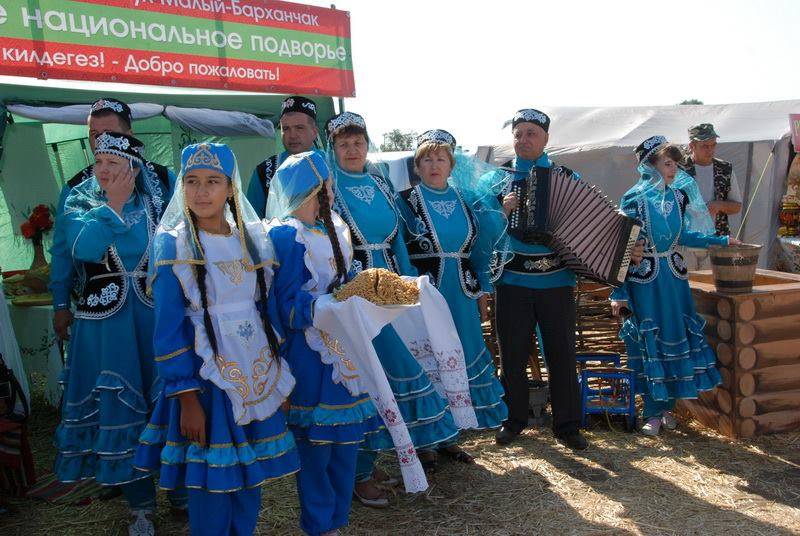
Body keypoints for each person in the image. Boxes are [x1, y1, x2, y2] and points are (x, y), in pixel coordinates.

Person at [133, 143, 299, 535]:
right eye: (191, 181)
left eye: (212, 182)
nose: (201, 191)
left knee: (249, 476)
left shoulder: (252, 240)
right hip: (208, 381)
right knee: (212, 482)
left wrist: (279, 378)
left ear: (230, 188)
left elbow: (266, 315)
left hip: (256, 373)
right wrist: (187, 397)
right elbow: (169, 329)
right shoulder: (174, 244)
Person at [324, 112, 459, 506]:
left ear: (367, 145)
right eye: (344, 144)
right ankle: (360, 473)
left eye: (358, 142)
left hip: (389, 289)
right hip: (353, 294)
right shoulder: (328, 185)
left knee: (395, 374)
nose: (352, 150)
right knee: (367, 378)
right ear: (333, 148)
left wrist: (409, 283)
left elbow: (397, 239)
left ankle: (380, 459)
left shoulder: (381, 182)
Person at [53, 132, 182, 535]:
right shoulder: (80, 202)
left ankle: (180, 491)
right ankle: (140, 506)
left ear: (134, 168)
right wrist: (113, 206)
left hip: (151, 320)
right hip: (106, 328)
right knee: (122, 411)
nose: (103, 169)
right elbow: (84, 249)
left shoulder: (155, 203)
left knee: (167, 403)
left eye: (113, 162)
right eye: (99, 161)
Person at [265, 150, 382, 536]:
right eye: (322, 187)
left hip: (343, 347)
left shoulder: (334, 225)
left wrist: (362, 289)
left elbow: (344, 277)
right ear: (304, 190)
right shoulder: (286, 235)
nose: (328, 193)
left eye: (328, 187)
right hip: (309, 353)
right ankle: (319, 525)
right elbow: (283, 303)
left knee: (345, 441)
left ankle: (338, 521)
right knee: (315, 446)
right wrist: (326, 304)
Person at [611, 136, 738, 436]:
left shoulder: (678, 197)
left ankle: (667, 407)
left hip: (674, 278)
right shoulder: (633, 199)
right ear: (650, 165)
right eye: (667, 163)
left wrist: (720, 240)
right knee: (648, 339)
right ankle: (652, 412)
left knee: (673, 337)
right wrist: (618, 292)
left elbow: (685, 236)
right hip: (645, 282)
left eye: (675, 164)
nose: (673, 169)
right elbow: (622, 248)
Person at [397, 129, 508, 459]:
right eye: (427, 159)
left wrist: (484, 295)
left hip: (461, 292)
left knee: (459, 358)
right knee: (428, 359)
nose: (434, 165)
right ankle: (427, 442)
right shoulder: (406, 203)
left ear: (451, 164)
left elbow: (480, 253)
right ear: (417, 166)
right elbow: (400, 248)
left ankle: (452, 436)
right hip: (426, 295)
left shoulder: (466, 202)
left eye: (440, 159)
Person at [490, 109, 589, 450]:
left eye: (531, 133)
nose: (523, 140)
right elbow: (483, 229)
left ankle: (567, 425)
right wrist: (500, 210)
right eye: (518, 134)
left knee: (561, 355)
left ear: (546, 138)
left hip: (556, 281)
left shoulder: (566, 176)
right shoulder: (498, 180)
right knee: (512, 355)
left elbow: (585, 224)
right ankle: (513, 420)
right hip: (513, 280)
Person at [49, 98, 175, 343]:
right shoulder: (78, 189)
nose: (101, 142)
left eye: (109, 133)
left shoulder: (162, 179)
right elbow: (65, 251)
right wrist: (61, 303)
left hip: (156, 308)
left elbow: (182, 236)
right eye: (94, 134)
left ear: (129, 135)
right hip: (103, 313)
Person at [246, 96, 320, 218]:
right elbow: (252, 222)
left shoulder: (332, 166)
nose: (292, 135)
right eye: (286, 128)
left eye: (299, 128)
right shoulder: (264, 171)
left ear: (314, 131)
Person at [680, 123, 743, 237]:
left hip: (718, 238)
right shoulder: (678, 169)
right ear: (692, 146)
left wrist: (719, 205)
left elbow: (737, 207)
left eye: (713, 145)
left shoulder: (725, 169)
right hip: (685, 238)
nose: (710, 150)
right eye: (705, 146)